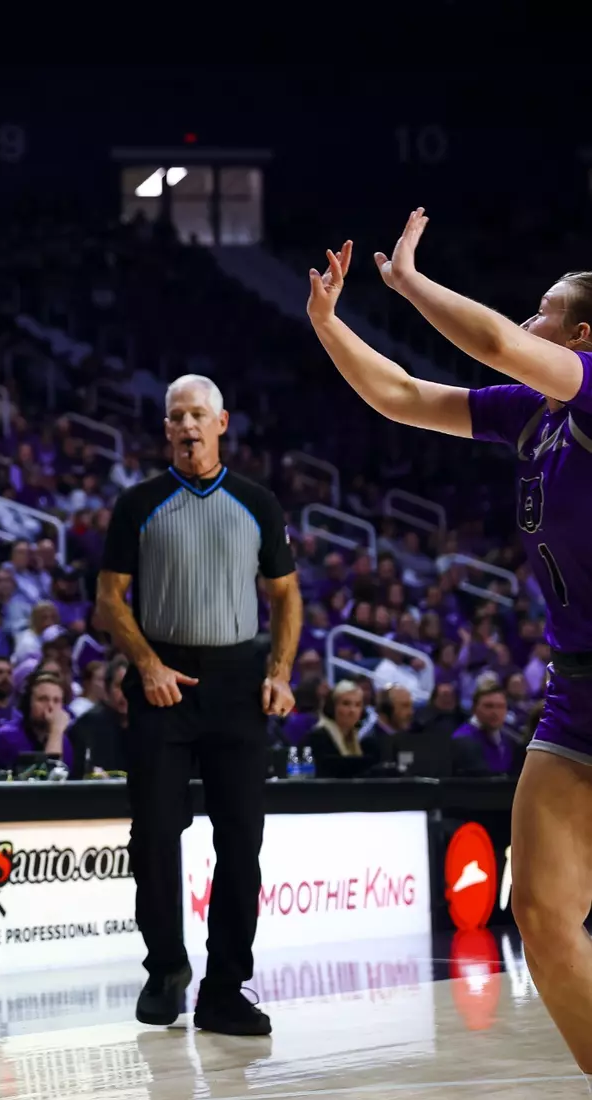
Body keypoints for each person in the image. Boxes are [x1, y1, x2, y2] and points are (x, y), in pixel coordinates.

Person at [306, 219, 592, 1075]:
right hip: (575, 692)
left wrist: (410, 284)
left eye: (546, 314)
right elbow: (400, 394)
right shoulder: (529, 419)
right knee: (540, 918)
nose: (525, 322)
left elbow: (498, 341)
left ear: (582, 338)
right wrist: (330, 324)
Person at [94, 373, 300, 1037]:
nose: (186, 425)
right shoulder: (138, 503)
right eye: (175, 416)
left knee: (241, 840)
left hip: (239, 682)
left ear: (221, 423)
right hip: (163, 680)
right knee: (154, 833)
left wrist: (280, 671)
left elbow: (287, 595)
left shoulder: (257, 503)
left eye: (197, 415)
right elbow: (109, 599)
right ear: (166, 430)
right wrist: (147, 664)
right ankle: (165, 969)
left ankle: (224, 989)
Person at [0, 670, 76, 774]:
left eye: (56, 701)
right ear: (28, 703)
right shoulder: (7, 737)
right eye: (43, 699)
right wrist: (55, 732)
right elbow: (44, 783)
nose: (51, 706)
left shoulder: (64, 742)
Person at [451, 681, 526, 778]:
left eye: (500, 706)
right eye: (488, 706)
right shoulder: (462, 740)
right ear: (474, 709)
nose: (495, 712)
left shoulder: (510, 740)